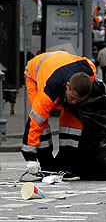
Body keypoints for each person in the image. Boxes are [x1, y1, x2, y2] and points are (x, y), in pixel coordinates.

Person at [21, 51, 97, 181]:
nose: (73, 102)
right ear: (68, 86)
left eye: (78, 100)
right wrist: (30, 158)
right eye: (72, 97)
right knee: (41, 120)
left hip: (59, 62)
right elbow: (34, 122)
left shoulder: (89, 74)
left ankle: (65, 165)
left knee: (74, 118)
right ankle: (47, 165)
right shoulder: (49, 91)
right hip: (35, 72)